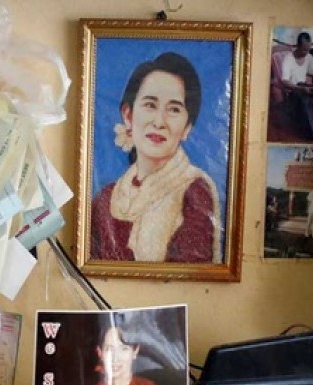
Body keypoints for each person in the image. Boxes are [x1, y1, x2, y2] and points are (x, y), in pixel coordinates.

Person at [90, 52, 221, 263]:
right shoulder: (104, 201)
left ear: (187, 127)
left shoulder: (195, 191)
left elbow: (189, 279)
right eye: (150, 105)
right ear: (128, 115)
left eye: (174, 109)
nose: (159, 122)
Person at [279, 32, 313, 141]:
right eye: (304, 49)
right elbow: (284, 81)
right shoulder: (288, 59)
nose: (306, 52)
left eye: (308, 49)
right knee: (305, 102)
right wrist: (300, 89)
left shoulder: (308, 57)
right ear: (298, 46)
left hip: (305, 87)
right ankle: (312, 134)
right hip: (293, 91)